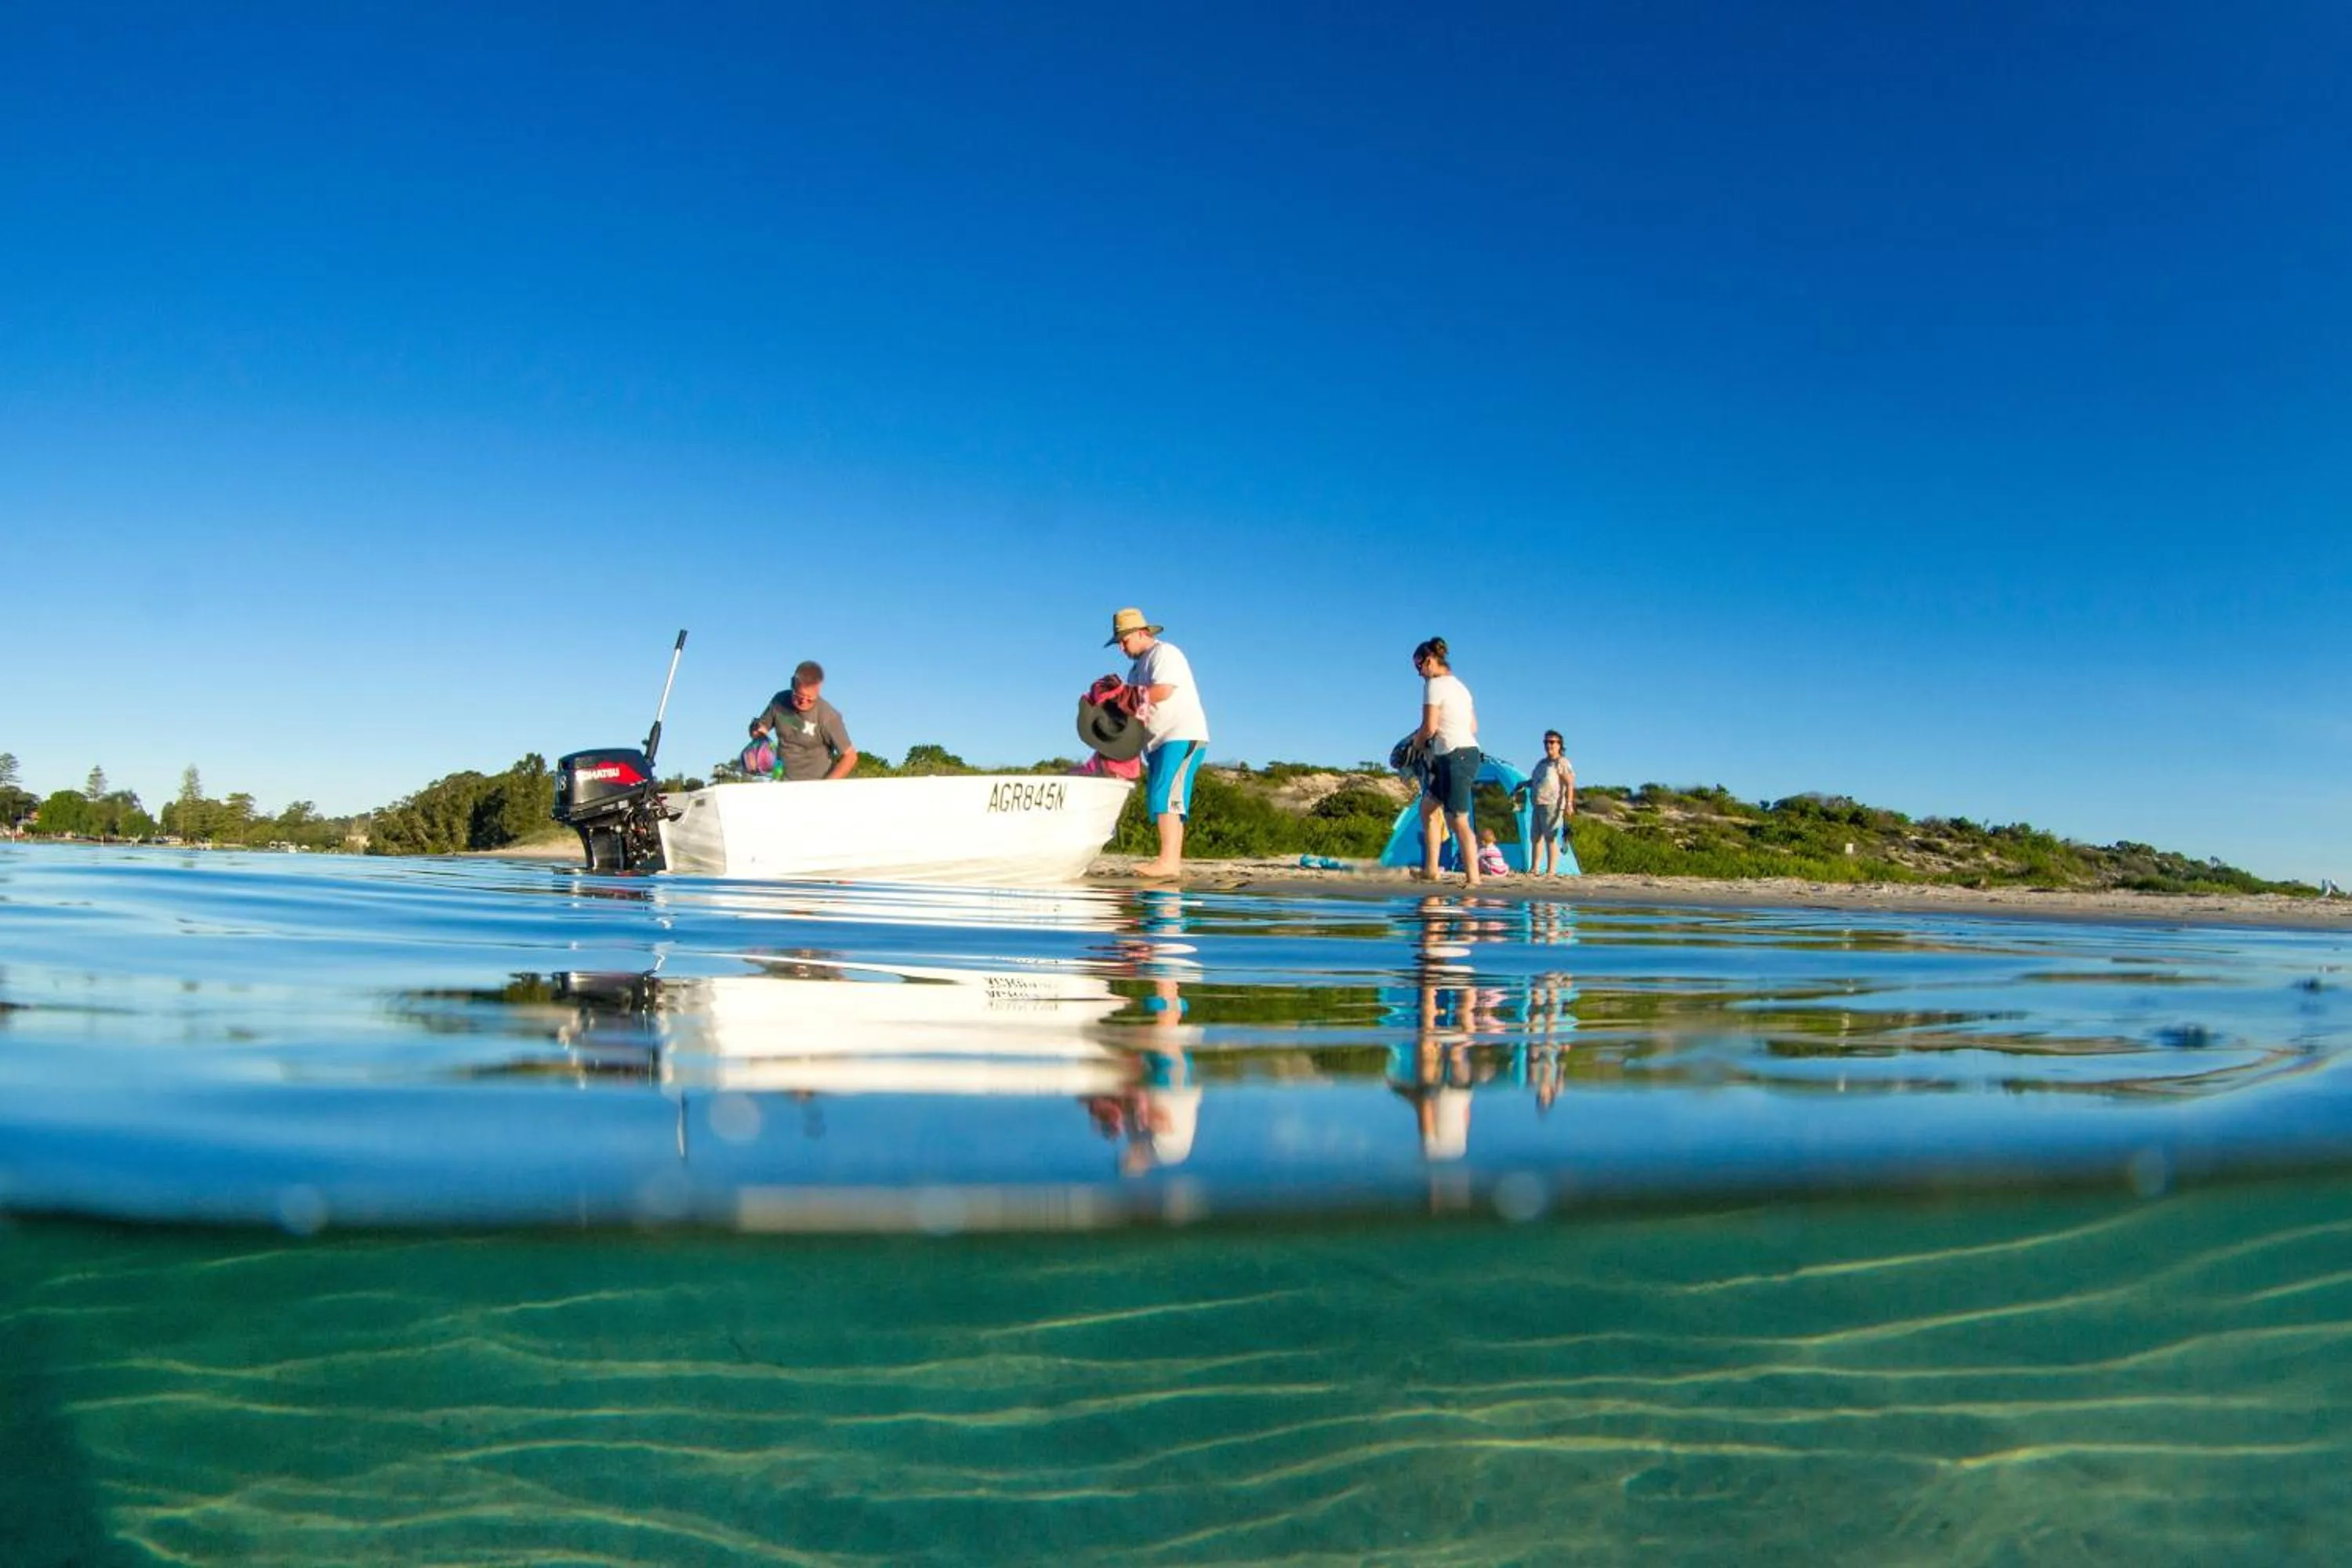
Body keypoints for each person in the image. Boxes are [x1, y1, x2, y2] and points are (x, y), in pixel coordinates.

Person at [1106, 608, 1207, 879]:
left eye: (1124, 642)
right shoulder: (1135, 669)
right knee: (1161, 797)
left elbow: (1163, 691)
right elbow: (1137, 710)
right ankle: (1169, 861)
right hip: (1157, 742)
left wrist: (1128, 698)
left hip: (1180, 734)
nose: (1122, 649)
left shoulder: (1165, 654)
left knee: (1167, 795)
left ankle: (1169, 863)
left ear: (1141, 633)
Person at [1410, 636, 1483, 887]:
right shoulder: (1462, 688)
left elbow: (1429, 727)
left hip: (1457, 756)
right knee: (1428, 808)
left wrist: (1416, 745)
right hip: (1461, 752)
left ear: (1429, 661)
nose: (1418, 673)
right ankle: (1431, 870)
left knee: (1457, 819)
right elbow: (1473, 726)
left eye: (1418, 666)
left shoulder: (1434, 685)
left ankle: (1474, 878)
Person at [747, 660, 858, 781]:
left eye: (810, 699)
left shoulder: (828, 717)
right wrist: (756, 736)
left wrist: (827, 786)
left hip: (816, 784)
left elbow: (850, 756)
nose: (803, 702)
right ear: (792, 684)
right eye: (798, 697)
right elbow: (760, 730)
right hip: (782, 781)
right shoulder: (779, 701)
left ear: (819, 689)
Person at [1515, 729, 1576, 877]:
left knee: (1551, 837)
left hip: (1553, 804)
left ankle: (1551, 870)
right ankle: (1534, 868)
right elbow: (1536, 781)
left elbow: (1569, 783)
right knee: (1535, 837)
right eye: (1546, 742)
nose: (1549, 745)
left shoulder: (1561, 763)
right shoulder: (1542, 763)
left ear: (1559, 745)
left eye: (1552, 742)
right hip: (1537, 804)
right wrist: (1524, 784)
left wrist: (1569, 803)